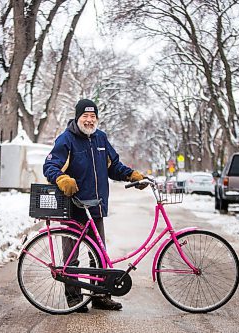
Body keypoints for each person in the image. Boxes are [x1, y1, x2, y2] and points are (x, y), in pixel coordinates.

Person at [43, 98, 147, 313]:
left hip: (96, 207)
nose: (89, 120)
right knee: (71, 257)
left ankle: (101, 295)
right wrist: (61, 179)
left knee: (99, 254)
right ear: (78, 117)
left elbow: (114, 166)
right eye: (85, 116)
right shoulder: (66, 140)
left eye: (93, 117)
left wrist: (131, 175)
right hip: (73, 207)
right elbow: (50, 165)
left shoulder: (101, 138)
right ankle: (74, 298)